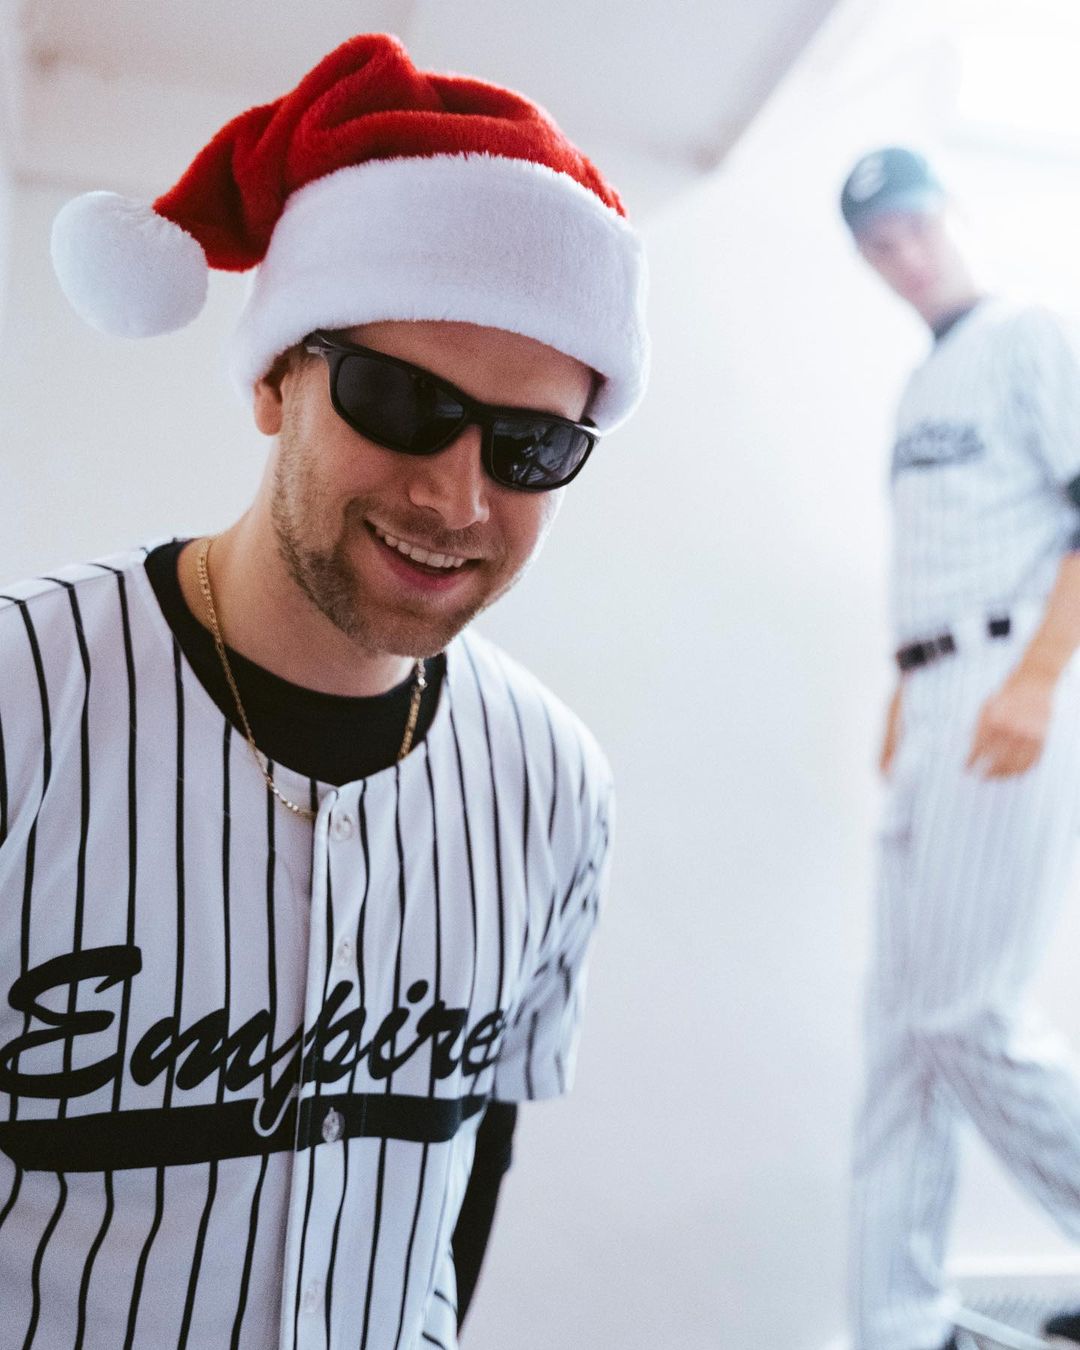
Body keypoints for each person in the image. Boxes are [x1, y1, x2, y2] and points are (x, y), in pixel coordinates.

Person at [0, 33, 648, 1350]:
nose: (456, 496)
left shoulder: (554, 782)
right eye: (401, 398)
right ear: (274, 378)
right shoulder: (24, 695)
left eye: (531, 447)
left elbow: (470, 1169)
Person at [841, 146, 1080, 1350]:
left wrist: (1037, 676)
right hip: (931, 688)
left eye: (914, 228)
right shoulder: (916, 388)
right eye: (879, 246)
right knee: (901, 1036)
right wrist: (902, 689)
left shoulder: (1029, 335)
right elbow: (938, 547)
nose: (904, 257)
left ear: (955, 218)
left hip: (1006, 673)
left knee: (968, 1013)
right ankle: (898, 1321)